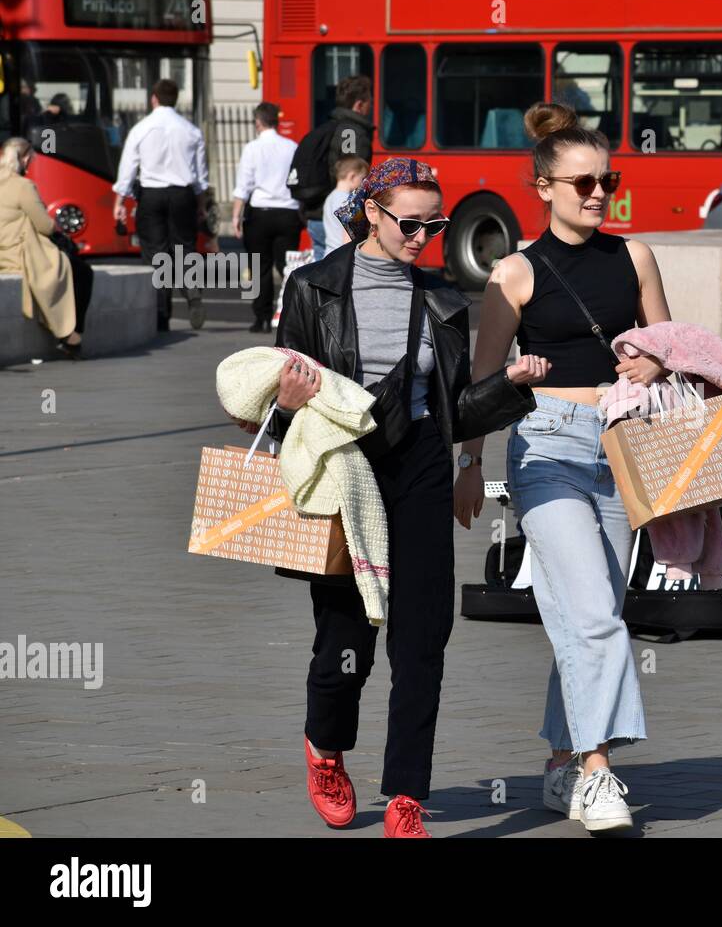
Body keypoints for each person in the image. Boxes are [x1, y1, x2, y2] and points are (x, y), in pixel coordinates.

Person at [242, 157, 545, 837]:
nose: (423, 236)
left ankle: (408, 792)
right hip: (344, 469)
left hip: (421, 467)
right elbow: (278, 400)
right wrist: (286, 402)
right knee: (345, 634)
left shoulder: (440, 298)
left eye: (433, 224)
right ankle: (325, 747)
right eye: (410, 223)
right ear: (371, 213)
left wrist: (511, 386)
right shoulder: (313, 288)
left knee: (422, 635)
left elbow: (458, 408)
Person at [454, 101, 671, 833]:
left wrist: (652, 362)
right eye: (580, 183)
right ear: (542, 186)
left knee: (592, 615)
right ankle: (598, 772)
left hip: (622, 446)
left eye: (605, 180)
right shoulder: (512, 274)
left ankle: (559, 763)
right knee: (593, 617)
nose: (597, 193)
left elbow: (668, 349)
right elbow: (480, 389)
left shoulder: (635, 257)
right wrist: (470, 468)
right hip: (545, 447)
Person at [111, 78, 210, 331]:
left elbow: (128, 170)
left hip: (152, 195)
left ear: (153, 98)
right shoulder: (191, 130)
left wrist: (120, 202)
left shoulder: (140, 129)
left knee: (156, 254)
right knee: (184, 249)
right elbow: (200, 177)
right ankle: (193, 294)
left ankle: (161, 314)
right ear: (175, 99)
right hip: (182, 194)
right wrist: (200, 204)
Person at [0, 137, 88, 359]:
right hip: (18, 253)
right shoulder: (23, 186)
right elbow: (46, 226)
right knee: (82, 271)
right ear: (26, 158)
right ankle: (70, 334)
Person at [231, 102, 302, 334]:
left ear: (258, 122)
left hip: (260, 214)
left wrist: (235, 216)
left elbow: (243, 186)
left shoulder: (252, 148)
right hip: (287, 212)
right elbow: (297, 181)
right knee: (286, 267)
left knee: (259, 267)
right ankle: (291, 314)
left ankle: (261, 318)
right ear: (276, 121)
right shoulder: (292, 147)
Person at [301, 76, 375, 261]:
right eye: (369, 103)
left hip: (318, 212)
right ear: (359, 105)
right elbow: (351, 166)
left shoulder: (330, 126)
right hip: (336, 220)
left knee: (319, 272)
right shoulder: (352, 132)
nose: (371, 108)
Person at [322, 156, 369, 255]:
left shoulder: (330, 197)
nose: (363, 183)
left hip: (329, 253)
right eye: (362, 178)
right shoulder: (349, 202)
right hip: (342, 256)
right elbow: (349, 234)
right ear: (352, 176)